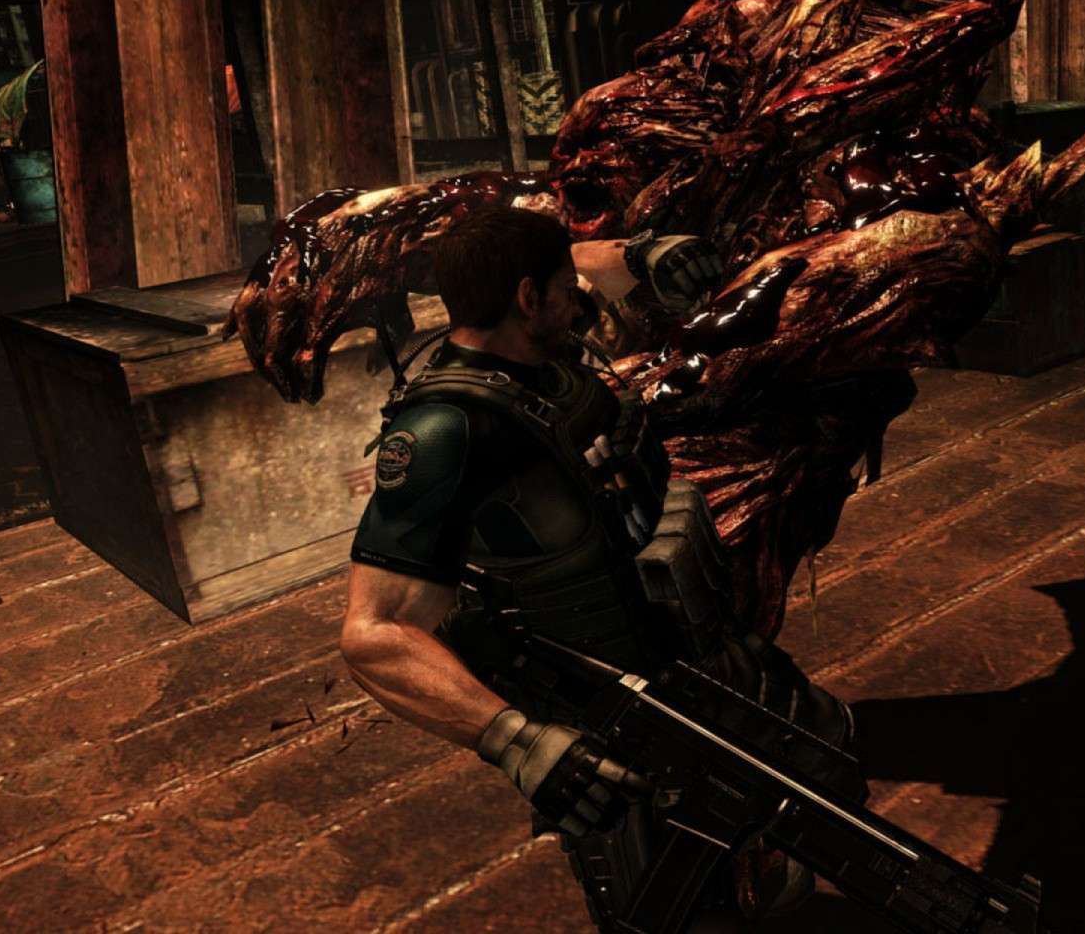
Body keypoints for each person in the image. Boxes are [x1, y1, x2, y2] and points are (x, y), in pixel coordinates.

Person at [338, 208, 867, 930]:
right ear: (528, 297)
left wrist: (644, 253)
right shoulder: (445, 430)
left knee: (824, 756)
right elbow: (374, 634)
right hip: (610, 711)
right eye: (563, 289)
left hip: (691, 653)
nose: (579, 299)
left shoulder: (542, 358)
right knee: (672, 903)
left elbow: (584, 264)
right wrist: (514, 740)